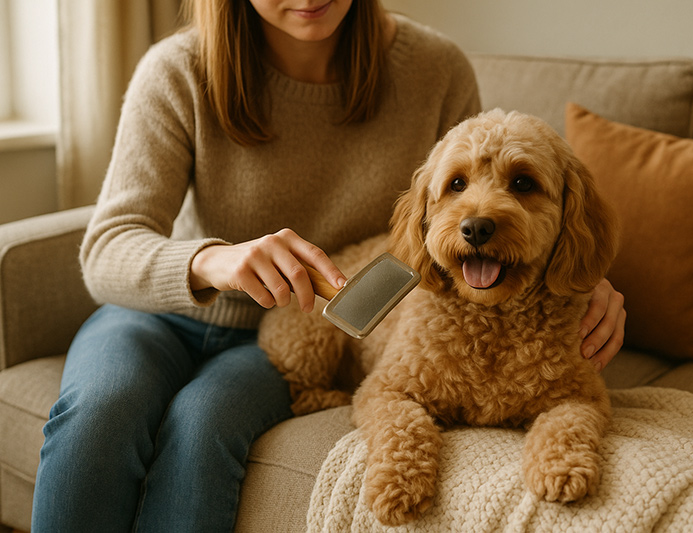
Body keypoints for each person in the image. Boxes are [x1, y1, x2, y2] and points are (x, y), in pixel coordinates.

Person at [31, 0, 625, 531]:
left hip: (287, 328)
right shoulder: (178, 70)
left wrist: (583, 277)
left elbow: (480, 213)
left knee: (203, 424)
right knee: (98, 417)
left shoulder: (436, 69)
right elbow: (107, 246)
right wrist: (215, 259)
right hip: (158, 313)